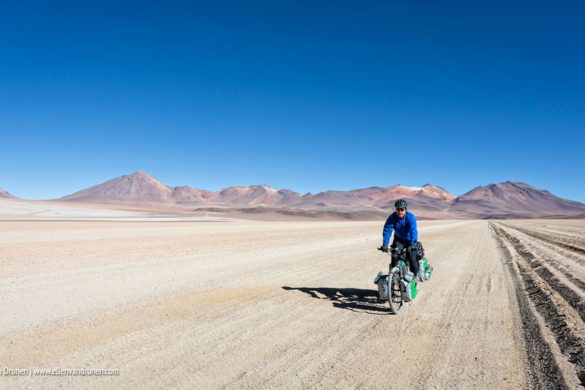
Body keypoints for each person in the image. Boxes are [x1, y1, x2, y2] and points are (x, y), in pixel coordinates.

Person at [377, 199, 423, 280]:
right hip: (399, 239)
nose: (400, 211)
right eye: (398, 209)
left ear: (405, 209)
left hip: (410, 240)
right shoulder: (392, 217)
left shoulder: (410, 217)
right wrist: (385, 244)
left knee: (412, 257)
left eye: (402, 209)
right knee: (394, 255)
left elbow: (413, 231)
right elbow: (387, 230)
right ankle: (394, 276)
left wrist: (412, 244)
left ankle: (415, 276)